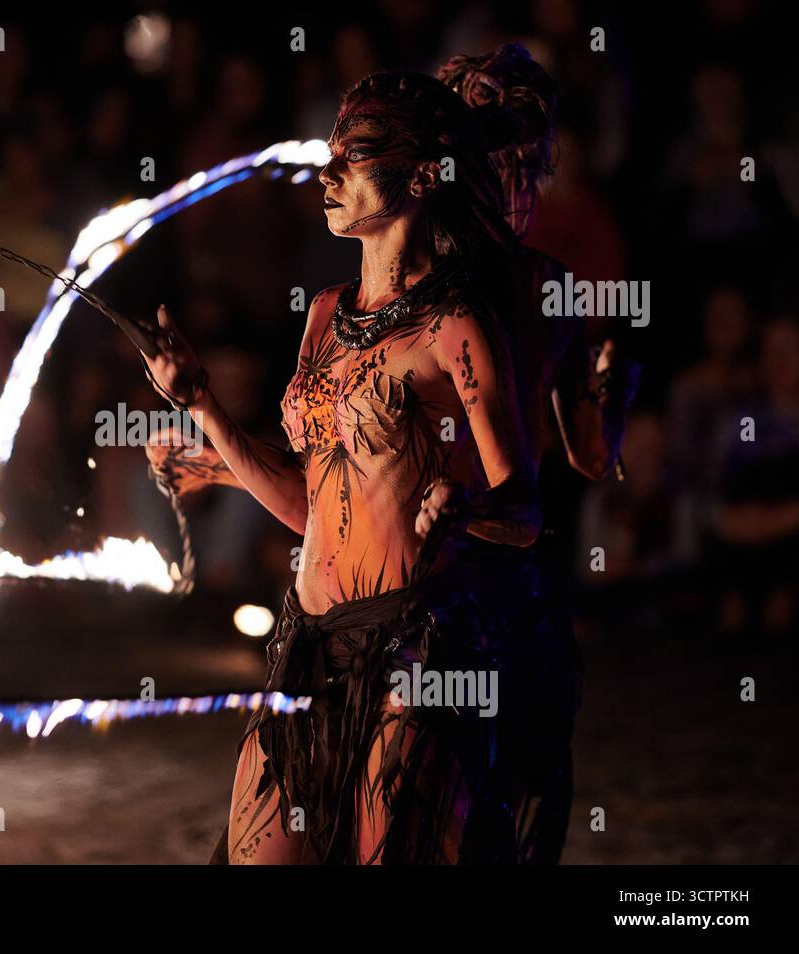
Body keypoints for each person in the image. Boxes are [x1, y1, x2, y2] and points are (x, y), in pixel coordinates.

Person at [139, 71, 552, 864]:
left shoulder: (454, 323)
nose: (327, 176)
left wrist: (463, 509)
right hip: (307, 643)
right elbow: (311, 503)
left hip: (414, 650)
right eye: (330, 155)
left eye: (354, 157)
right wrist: (206, 410)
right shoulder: (326, 313)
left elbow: (524, 509)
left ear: (424, 175)